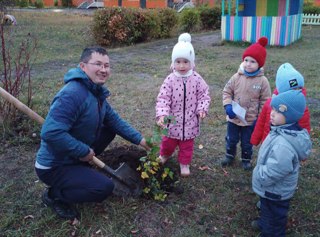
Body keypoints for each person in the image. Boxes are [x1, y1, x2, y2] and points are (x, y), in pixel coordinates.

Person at [35, 46, 149, 220]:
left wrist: (141, 141)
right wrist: (83, 151)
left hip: (72, 156)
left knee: (110, 128)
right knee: (103, 188)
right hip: (54, 165)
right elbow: (51, 133)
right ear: (83, 66)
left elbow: (115, 122)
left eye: (107, 65)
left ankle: (81, 168)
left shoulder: (95, 93)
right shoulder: (72, 94)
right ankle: (54, 195)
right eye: (98, 64)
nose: (103, 70)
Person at [251, 90, 312, 237]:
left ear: (289, 116)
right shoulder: (281, 130)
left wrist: (259, 174)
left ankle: (271, 232)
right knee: (267, 209)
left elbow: (276, 170)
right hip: (271, 189)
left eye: (278, 111)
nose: (272, 113)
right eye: (273, 108)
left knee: (275, 217)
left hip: (275, 191)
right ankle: (265, 223)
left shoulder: (283, 145)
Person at [155, 33, 211, 177]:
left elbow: (204, 94)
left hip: (190, 122)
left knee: (187, 147)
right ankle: (165, 155)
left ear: (192, 63)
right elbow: (163, 98)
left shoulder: (197, 79)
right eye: (178, 61)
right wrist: (162, 114)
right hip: (172, 122)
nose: (181, 65)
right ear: (173, 63)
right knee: (168, 142)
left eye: (185, 61)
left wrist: (202, 108)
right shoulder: (170, 80)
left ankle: (184, 163)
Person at [221, 37, 271, 170]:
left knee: (247, 142)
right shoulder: (236, 77)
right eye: (246, 60)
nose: (248, 64)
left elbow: (266, 102)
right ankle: (229, 155)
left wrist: (259, 119)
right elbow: (227, 91)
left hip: (250, 120)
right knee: (231, 139)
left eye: (253, 61)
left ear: (260, 64)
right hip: (234, 118)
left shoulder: (263, 81)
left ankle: (246, 159)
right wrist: (228, 106)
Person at [251, 63, 311, 146]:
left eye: (298, 89)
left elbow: (304, 127)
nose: (295, 92)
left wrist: (302, 147)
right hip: (267, 143)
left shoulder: (300, 108)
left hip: (287, 147)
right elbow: (261, 122)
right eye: (291, 90)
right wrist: (255, 139)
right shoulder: (269, 103)